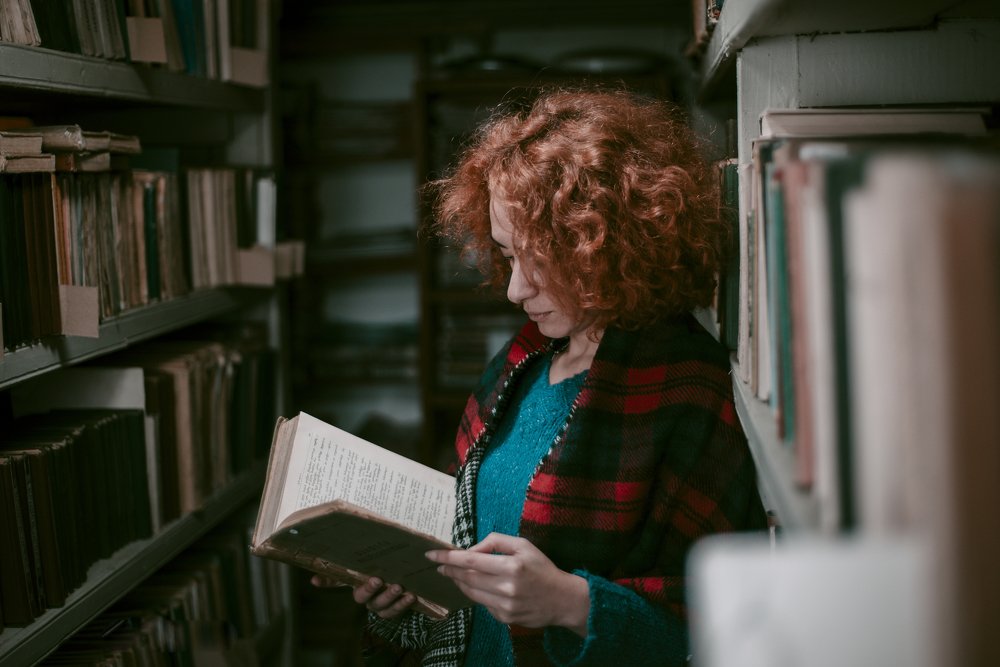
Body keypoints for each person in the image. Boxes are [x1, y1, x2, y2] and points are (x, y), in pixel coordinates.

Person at [314, 87, 768, 666]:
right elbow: (464, 549)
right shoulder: (521, 360)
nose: (514, 289)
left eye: (540, 257)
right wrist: (403, 595)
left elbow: (733, 621)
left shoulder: (687, 389)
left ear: (606, 244)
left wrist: (571, 604)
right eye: (508, 256)